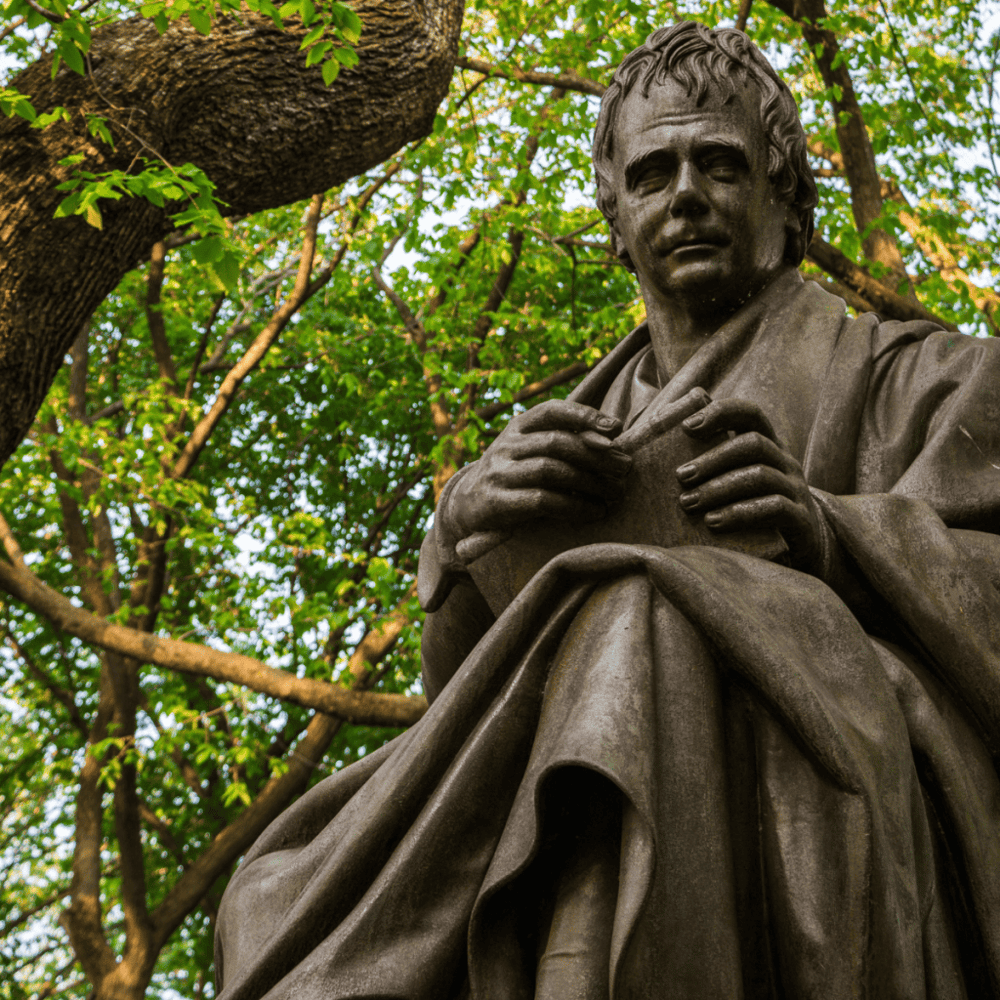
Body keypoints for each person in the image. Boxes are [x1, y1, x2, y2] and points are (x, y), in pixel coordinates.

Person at [215, 22, 1000, 1000]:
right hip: (563, 798)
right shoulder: (564, 440)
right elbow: (467, 701)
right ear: (611, 218)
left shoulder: (946, 382)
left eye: (720, 164)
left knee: (647, 607)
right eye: (649, 173)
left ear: (786, 198)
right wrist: (462, 537)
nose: (684, 195)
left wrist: (831, 534)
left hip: (844, 776)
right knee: (272, 884)